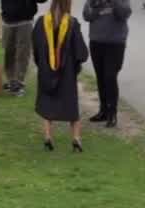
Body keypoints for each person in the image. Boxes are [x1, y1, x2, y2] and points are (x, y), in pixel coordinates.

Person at [31, 0, 89, 152]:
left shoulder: (41, 23)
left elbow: (36, 49)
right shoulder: (72, 24)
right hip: (67, 75)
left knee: (48, 103)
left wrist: (43, 65)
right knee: (71, 107)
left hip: (46, 72)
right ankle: (76, 139)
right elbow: (82, 53)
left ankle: (48, 137)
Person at [83, 0, 130, 128]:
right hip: (96, 41)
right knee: (101, 77)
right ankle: (103, 110)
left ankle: (112, 113)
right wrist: (96, 6)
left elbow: (124, 13)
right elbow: (86, 15)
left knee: (110, 77)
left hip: (115, 43)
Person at [0, 0, 49, 96]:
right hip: (8, 19)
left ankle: (19, 82)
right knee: (8, 52)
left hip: (25, 21)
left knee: (23, 53)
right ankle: (11, 80)